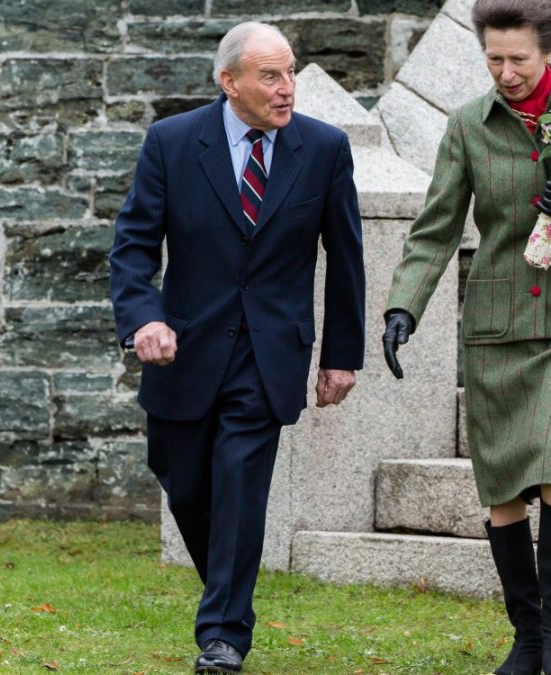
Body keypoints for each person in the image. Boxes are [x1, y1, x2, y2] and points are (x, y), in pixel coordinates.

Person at [381, 1, 551, 674]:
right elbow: (437, 227)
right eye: (493, 59)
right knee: (501, 486)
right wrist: (403, 308)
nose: (505, 72)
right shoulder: (467, 126)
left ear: (547, 52)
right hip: (496, 325)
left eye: (518, 59)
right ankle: (526, 634)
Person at [108, 22, 365, 674]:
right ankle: (225, 588)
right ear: (230, 83)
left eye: (291, 73)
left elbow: (346, 258)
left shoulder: (325, 148)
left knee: (241, 485)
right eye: (271, 76)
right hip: (185, 350)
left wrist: (342, 354)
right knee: (185, 480)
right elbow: (134, 244)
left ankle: (223, 634)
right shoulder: (172, 142)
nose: (288, 89)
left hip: (270, 353)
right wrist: (143, 319)